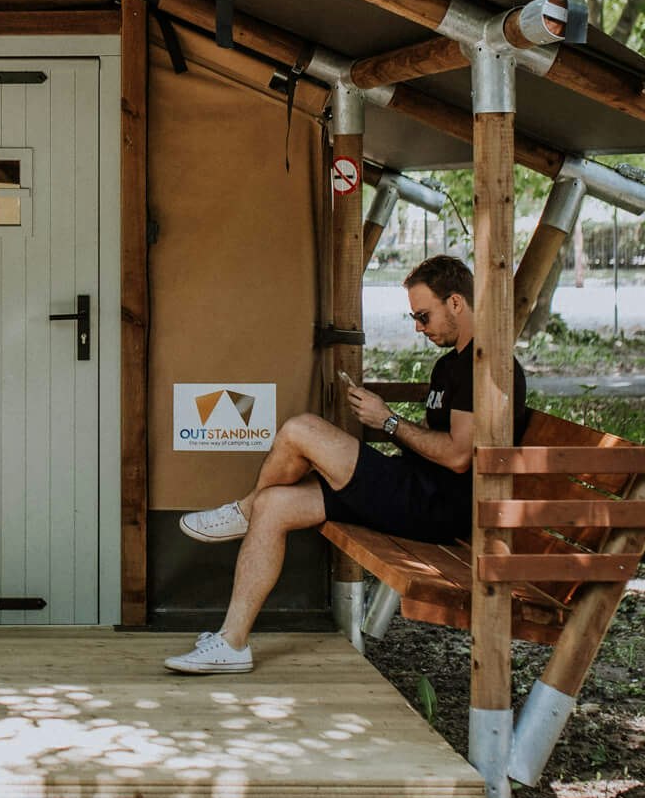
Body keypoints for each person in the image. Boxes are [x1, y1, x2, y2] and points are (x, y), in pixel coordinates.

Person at [163, 253, 529, 675]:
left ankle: (242, 511)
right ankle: (232, 642)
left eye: (424, 316)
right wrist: (386, 421)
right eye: (414, 317)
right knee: (275, 506)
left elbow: (458, 456)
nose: (418, 327)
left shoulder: (486, 367)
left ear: (456, 304)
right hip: (412, 487)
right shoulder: (449, 366)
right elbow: (436, 443)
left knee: (300, 430)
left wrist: (387, 420)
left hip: (436, 508)